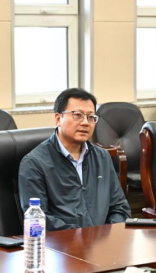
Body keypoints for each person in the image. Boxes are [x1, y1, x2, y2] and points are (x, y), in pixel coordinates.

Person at [18, 88, 131, 230]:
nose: (85, 123)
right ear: (58, 119)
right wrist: (82, 237)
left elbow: (120, 207)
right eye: (77, 115)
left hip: (103, 239)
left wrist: (106, 233)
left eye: (91, 117)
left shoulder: (102, 157)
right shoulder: (34, 163)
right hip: (63, 242)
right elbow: (38, 219)